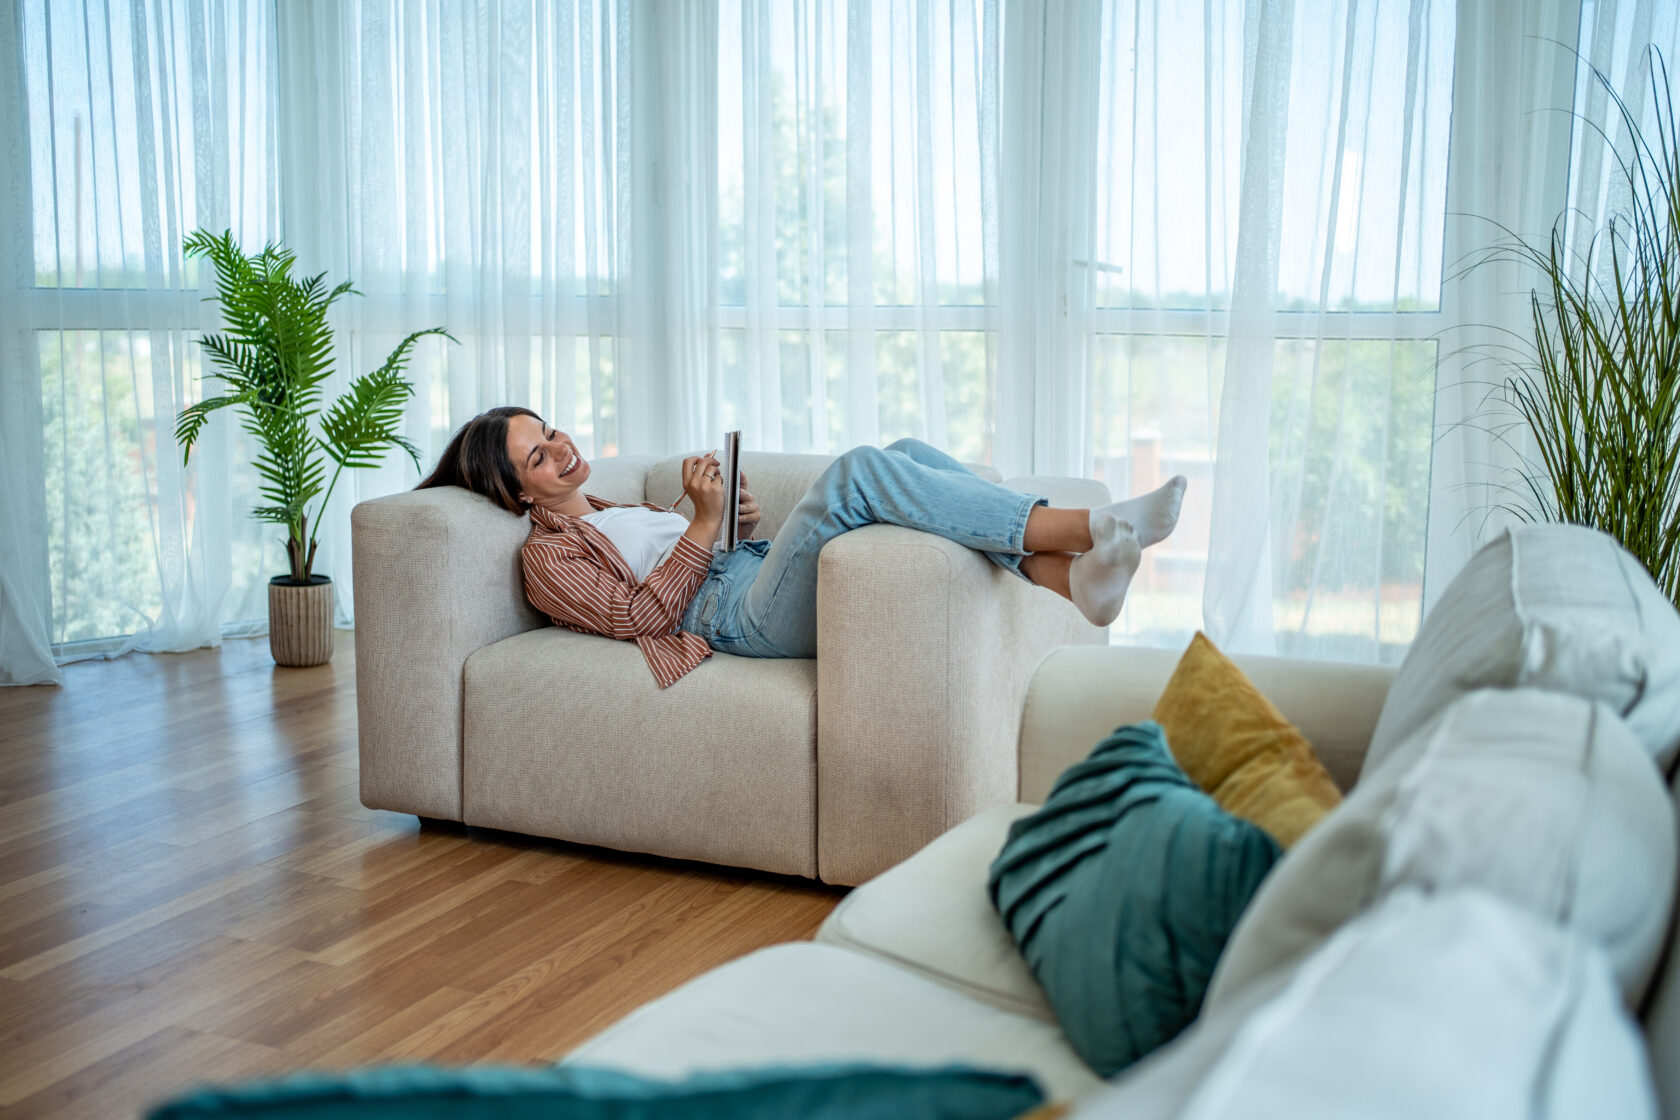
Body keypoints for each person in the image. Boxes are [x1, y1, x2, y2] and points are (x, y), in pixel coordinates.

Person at [419, 405, 1185, 688]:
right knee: (857, 472)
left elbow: (697, 558)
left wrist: (730, 520)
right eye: (538, 457)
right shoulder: (545, 557)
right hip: (736, 622)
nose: (561, 448)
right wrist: (697, 525)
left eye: (550, 431)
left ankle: (1065, 577)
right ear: (519, 492)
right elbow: (638, 618)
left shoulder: (615, 505)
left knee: (906, 447)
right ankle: (1093, 528)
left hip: (744, 579)